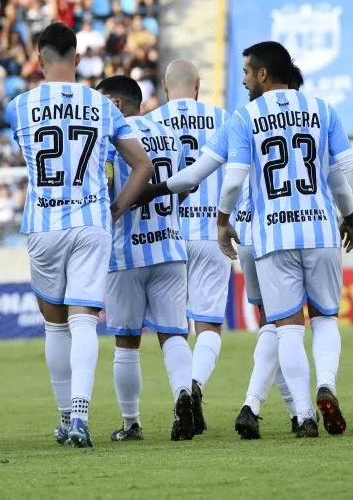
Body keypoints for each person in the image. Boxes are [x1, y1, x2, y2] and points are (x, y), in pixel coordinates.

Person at [145, 65, 353, 438]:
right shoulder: (305, 115)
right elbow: (341, 175)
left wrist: (151, 191)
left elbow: (199, 175)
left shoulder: (234, 119)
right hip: (263, 231)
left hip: (190, 236)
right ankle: (271, 404)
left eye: (246, 74)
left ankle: (286, 410)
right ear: (198, 86)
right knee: (289, 324)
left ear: (164, 87)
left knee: (276, 326)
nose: (244, 81)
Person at [216, 41, 353, 438]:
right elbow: (347, 168)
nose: (243, 80)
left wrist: (223, 220)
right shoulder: (322, 110)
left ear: (262, 74)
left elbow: (235, 176)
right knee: (325, 318)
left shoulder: (247, 116)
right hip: (320, 230)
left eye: (245, 72)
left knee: (288, 327)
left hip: (274, 235)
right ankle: (327, 382)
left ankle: (306, 415)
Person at [5, 22, 153, 448]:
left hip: (44, 223)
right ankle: (82, 419)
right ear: (78, 58)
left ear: (39, 58)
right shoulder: (103, 105)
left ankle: (65, 416)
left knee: (55, 327)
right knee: (84, 319)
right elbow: (142, 166)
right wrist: (118, 205)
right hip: (91, 221)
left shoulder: (20, 105)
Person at [96, 75, 194, 443]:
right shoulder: (168, 134)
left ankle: (131, 423)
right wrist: (167, 213)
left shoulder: (110, 140)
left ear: (116, 105)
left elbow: (105, 189)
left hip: (125, 253)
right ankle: (184, 394)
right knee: (173, 334)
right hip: (169, 247)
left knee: (126, 341)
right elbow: (185, 184)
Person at [143, 59, 229, 435]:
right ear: (198, 85)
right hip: (212, 231)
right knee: (208, 325)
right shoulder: (223, 118)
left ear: (165, 86)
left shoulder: (150, 122)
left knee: (173, 330)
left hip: (169, 235)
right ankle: (194, 386)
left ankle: (183, 391)